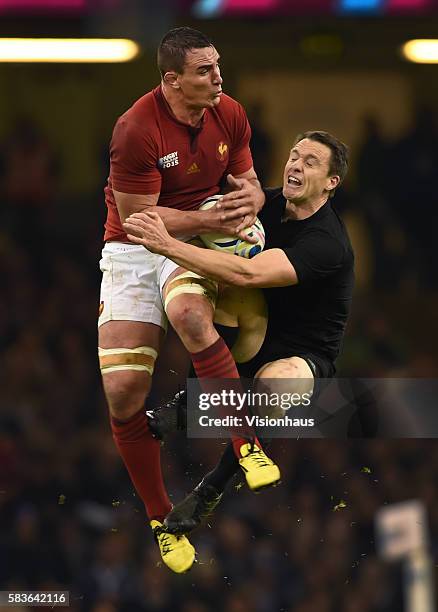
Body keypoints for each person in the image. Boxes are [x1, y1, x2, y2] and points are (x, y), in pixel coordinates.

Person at [98, 26, 279, 573]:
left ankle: (246, 442)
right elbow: (138, 220)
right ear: (172, 80)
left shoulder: (231, 113)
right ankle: (161, 521)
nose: (218, 77)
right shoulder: (135, 128)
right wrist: (209, 214)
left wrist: (248, 198)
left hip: (193, 240)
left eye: (217, 66)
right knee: (124, 391)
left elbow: (247, 185)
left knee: (189, 315)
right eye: (205, 71)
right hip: (131, 248)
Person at [123, 130, 355, 534]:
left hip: (303, 354)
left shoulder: (328, 242)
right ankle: (189, 402)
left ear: (331, 183)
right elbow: (215, 227)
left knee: (276, 383)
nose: (296, 165)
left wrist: (167, 245)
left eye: (311, 162)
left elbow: (249, 273)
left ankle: (210, 488)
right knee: (223, 287)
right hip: (256, 326)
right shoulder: (265, 202)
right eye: (294, 155)